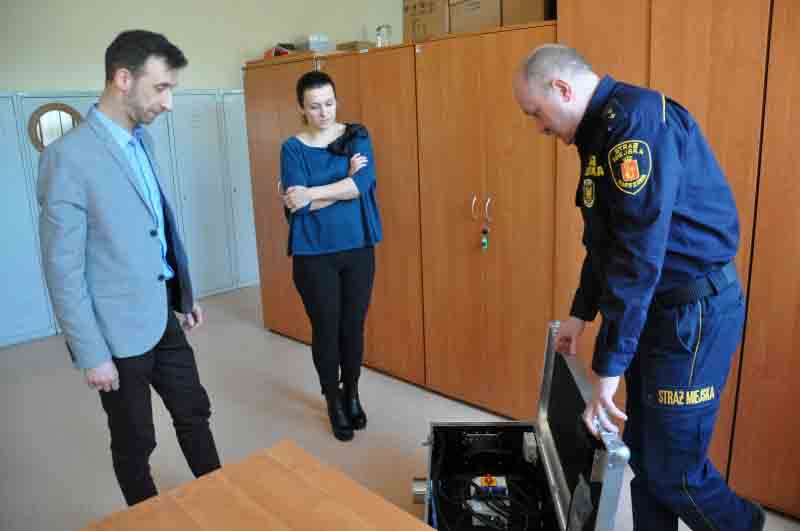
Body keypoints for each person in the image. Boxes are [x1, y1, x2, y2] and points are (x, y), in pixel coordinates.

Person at [512, 44, 765, 531]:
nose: (539, 128)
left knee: (677, 475)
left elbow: (636, 257)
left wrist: (608, 365)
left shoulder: (636, 128)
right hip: (657, 310)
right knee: (647, 460)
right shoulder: (599, 132)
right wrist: (581, 312)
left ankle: (746, 526)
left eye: (536, 113)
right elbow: (604, 241)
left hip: (692, 314)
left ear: (561, 89)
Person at [37, 30, 221, 506]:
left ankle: (224, 501)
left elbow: (156, 226)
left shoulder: (144, 142)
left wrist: (183, 293)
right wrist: (91, 352)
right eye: (161, 88)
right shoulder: (67, 157)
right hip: (115, 334)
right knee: (136, 440)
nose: (169, 103)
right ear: (123, 79)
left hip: (162, 313)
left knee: (194, 411)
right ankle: (146, 517)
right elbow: (62, 268)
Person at [280, 70, 382, 442]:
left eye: (329, 103)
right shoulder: (292, 148)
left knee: (353, 325)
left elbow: (361, 186)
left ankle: (351, 392)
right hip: (313, 253)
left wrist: (312, 193)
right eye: (314, 106)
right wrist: (338, 185)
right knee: (326, 328)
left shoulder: (357, 135)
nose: (324, 112)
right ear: (301, 108)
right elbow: (295, 205)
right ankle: (333, 399)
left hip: (358, 247)